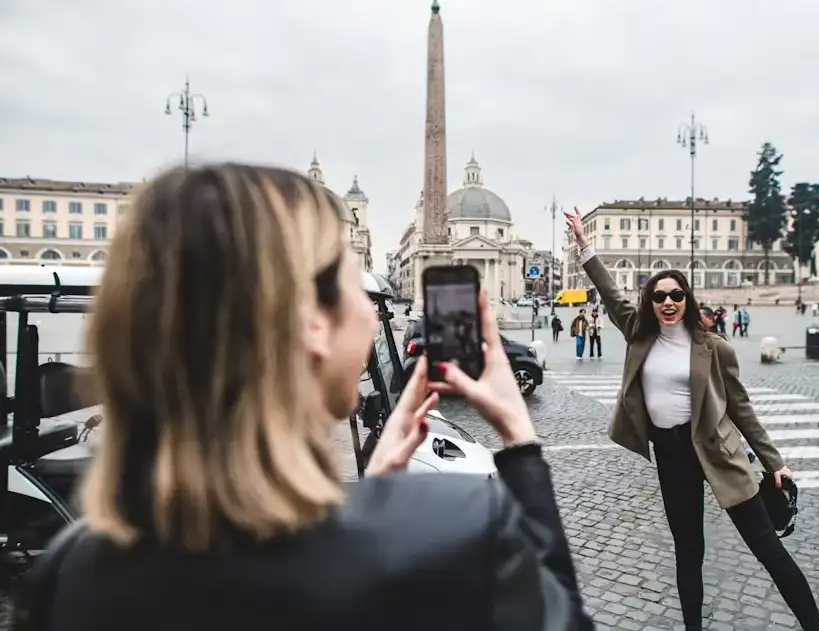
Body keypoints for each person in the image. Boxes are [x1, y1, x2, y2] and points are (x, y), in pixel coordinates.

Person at [39, 164, 593, 631]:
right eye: (357, 282)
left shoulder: (72, 569)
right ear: (312, 324)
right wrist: (518, 438)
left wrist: (377, 494)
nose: (374, 314)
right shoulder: (460, 531)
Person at [564, 207, 819, 631]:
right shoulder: (639, 333)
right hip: (671, 455)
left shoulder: (713, 347)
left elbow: (741, 408)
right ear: (651, 302)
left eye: (676, 295)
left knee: (766, 547)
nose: (668, 302)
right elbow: (611, 292)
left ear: (688, 300)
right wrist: (584, 244)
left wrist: (774, 463)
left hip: (718, 450)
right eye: (659, 296)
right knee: (688, 552)